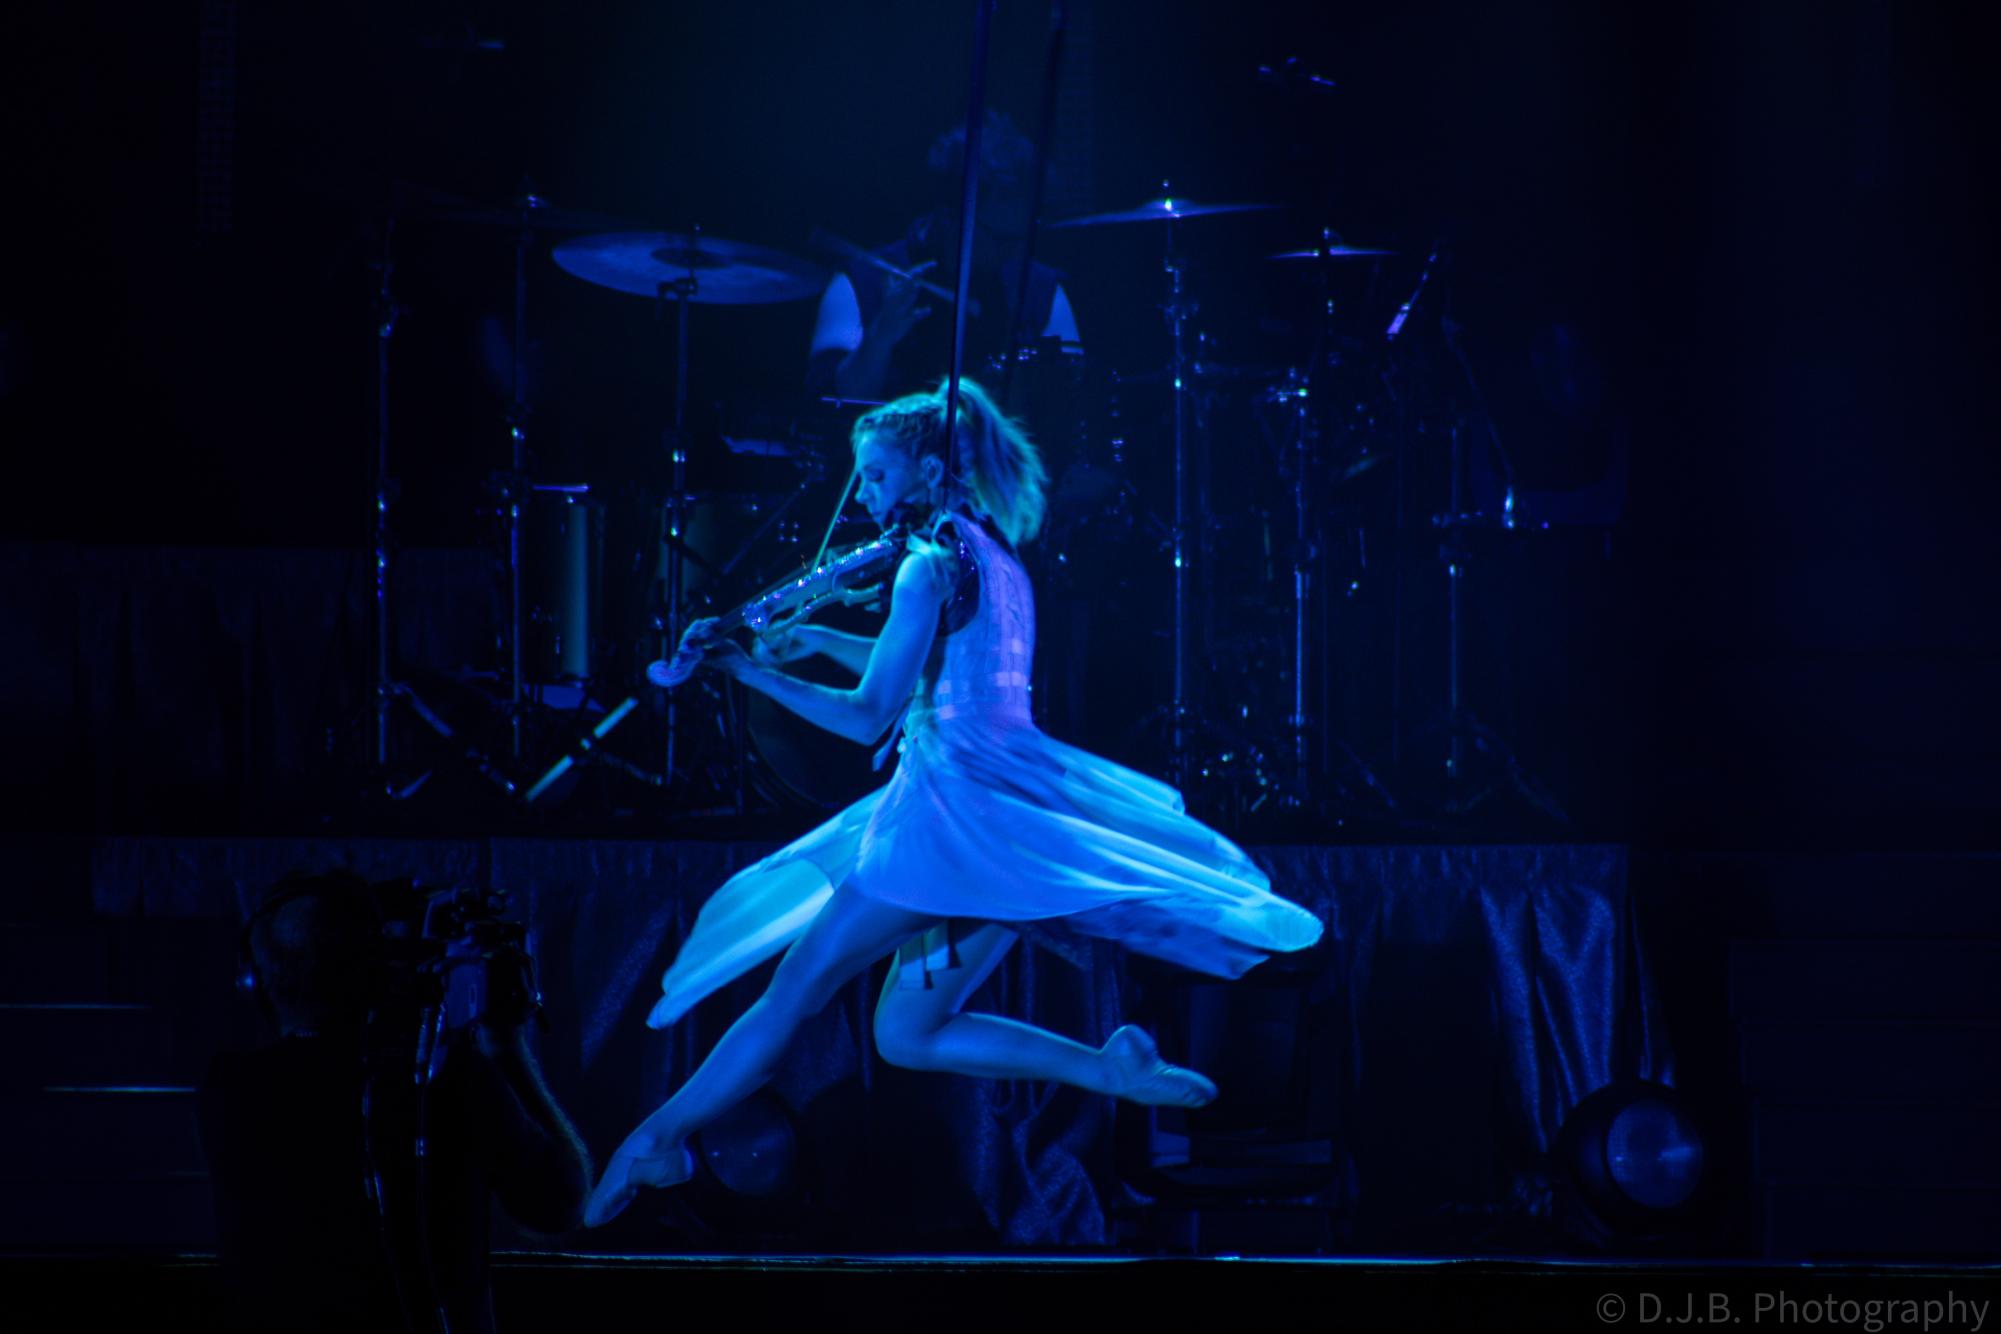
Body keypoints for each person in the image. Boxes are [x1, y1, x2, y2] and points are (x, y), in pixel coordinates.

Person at [583, 379, 1322, 1226]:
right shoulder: (994, 559)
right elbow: (940, 663)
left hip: (946, 820)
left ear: (928, 469)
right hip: (1005, 819)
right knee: (906, 1033)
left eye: (872, 475)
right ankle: (1104, 1069)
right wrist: (820, 635)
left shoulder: (925, 566)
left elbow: (869, 713)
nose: (860, 494)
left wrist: (750, 672)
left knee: (792, 995)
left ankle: (656, 1140)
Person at [200, 872, 592, 1333]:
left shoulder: (227, 1090)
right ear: (375, 973)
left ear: (252, 980)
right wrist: (505, 1047)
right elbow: (559, 1204)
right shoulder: (445, 1084)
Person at [808, 111, 1082, 403]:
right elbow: (832, 407)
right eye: (1001, 239)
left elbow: (1075, 406)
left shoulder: (1040, 289)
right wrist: (878, 340)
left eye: (1022, 238)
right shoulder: (861, 283)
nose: (1013, 252)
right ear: (950, 219)